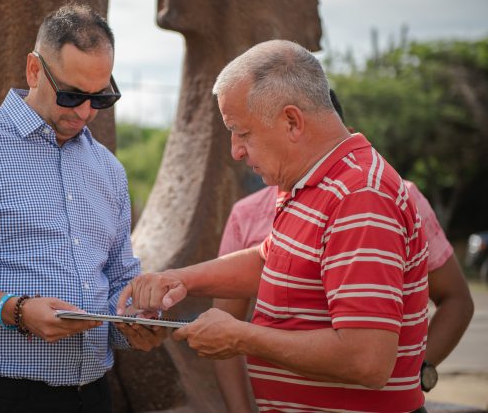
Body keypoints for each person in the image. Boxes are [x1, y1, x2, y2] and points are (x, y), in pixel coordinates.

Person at [118, 39, 430, 412]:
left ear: (292, 121)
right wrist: (180, 280)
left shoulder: (359, 194)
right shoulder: (307, 182)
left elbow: (367, 359)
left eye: (242, 132)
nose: (235, 150)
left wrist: (243, 338)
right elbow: (271, 262)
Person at [0, 2, 166, 413]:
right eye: (71, 95)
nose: (86, 111)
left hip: (93, 393)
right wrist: (12, 310)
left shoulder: (109, 169)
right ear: (34, 70)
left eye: (100, 98)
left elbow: (120, 277)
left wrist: (136, 321)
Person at [212, 93, 475, 412]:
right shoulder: (252, 213)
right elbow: (229, 316)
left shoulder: (377, 196)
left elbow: (453, 301)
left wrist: (418, 371)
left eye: (244, 134)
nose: (237, 151)